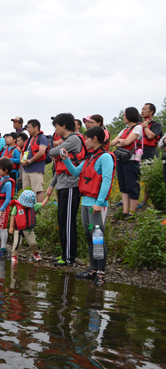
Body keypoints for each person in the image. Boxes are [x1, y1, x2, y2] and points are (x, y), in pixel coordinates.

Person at [61, 126, 116, 286]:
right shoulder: (89, 158)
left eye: (86, 138)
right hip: (85, 203)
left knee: (97, 238)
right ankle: (93, 269)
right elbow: (76, 172)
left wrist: (99, 203)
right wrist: (66, 159)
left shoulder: (105, 158)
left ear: (95, 139)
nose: (84, 141)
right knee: (89, 237)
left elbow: (106, 180)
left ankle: (101, 273)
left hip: (96, 206)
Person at [47, 113, 87, 266]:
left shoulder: (74, 139)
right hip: (63, 184)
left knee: (68, 222)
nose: (56, 129)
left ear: (63, 126)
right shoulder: (67, 140)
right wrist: (52, 184)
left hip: (71, 185)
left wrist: (55, 148)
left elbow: (52, 152)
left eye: (56, 126)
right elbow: (59, 166)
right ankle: (64, 254)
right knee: (62, 220)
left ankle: (69, 257)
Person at [110, 107, 143, 220]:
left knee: (131, 186)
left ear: (130, 116)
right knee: (123, 186)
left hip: (131, 160)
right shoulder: (124, 130)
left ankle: (132, 213)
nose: (123, 117)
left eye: (125, 115)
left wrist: (119, 142)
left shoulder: (138, 128)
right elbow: (112, 142)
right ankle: (125, 211)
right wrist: (120, 141)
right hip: (121, 159)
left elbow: (128, 142)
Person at [9, 190, 50, 264]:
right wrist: (11, 227)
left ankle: (36, 253)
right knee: (17, 244)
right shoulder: (17, 207)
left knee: (33, 243)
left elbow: (42, 204)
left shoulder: (33, 206)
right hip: (18, 229)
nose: (27, 206)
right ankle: (14, 256)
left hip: (29, 230)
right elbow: (13, 216)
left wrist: (47, 197)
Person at [139, 103, 163, 209]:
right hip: (137, 154)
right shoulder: (138, 125)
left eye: (144, 109)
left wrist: (145, 127)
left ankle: (144, 202)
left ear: (151, 111)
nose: (142, 111)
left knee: (148, 180)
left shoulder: (156, 125)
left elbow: (150, 136)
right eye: (142, 109)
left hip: (149, 154)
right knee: (133, 178)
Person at [21, 119, 50, 203]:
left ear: (36, 127)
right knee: (26, 190)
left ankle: (39, 209)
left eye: (29, 127)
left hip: (36, 169)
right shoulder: (28, 140)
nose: (28, 129)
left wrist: (30, 161)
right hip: (26, 169)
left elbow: (41, 152)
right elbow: (22, 152)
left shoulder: (42, 138)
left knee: (38, 190)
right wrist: (22, 161)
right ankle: (28, 208)